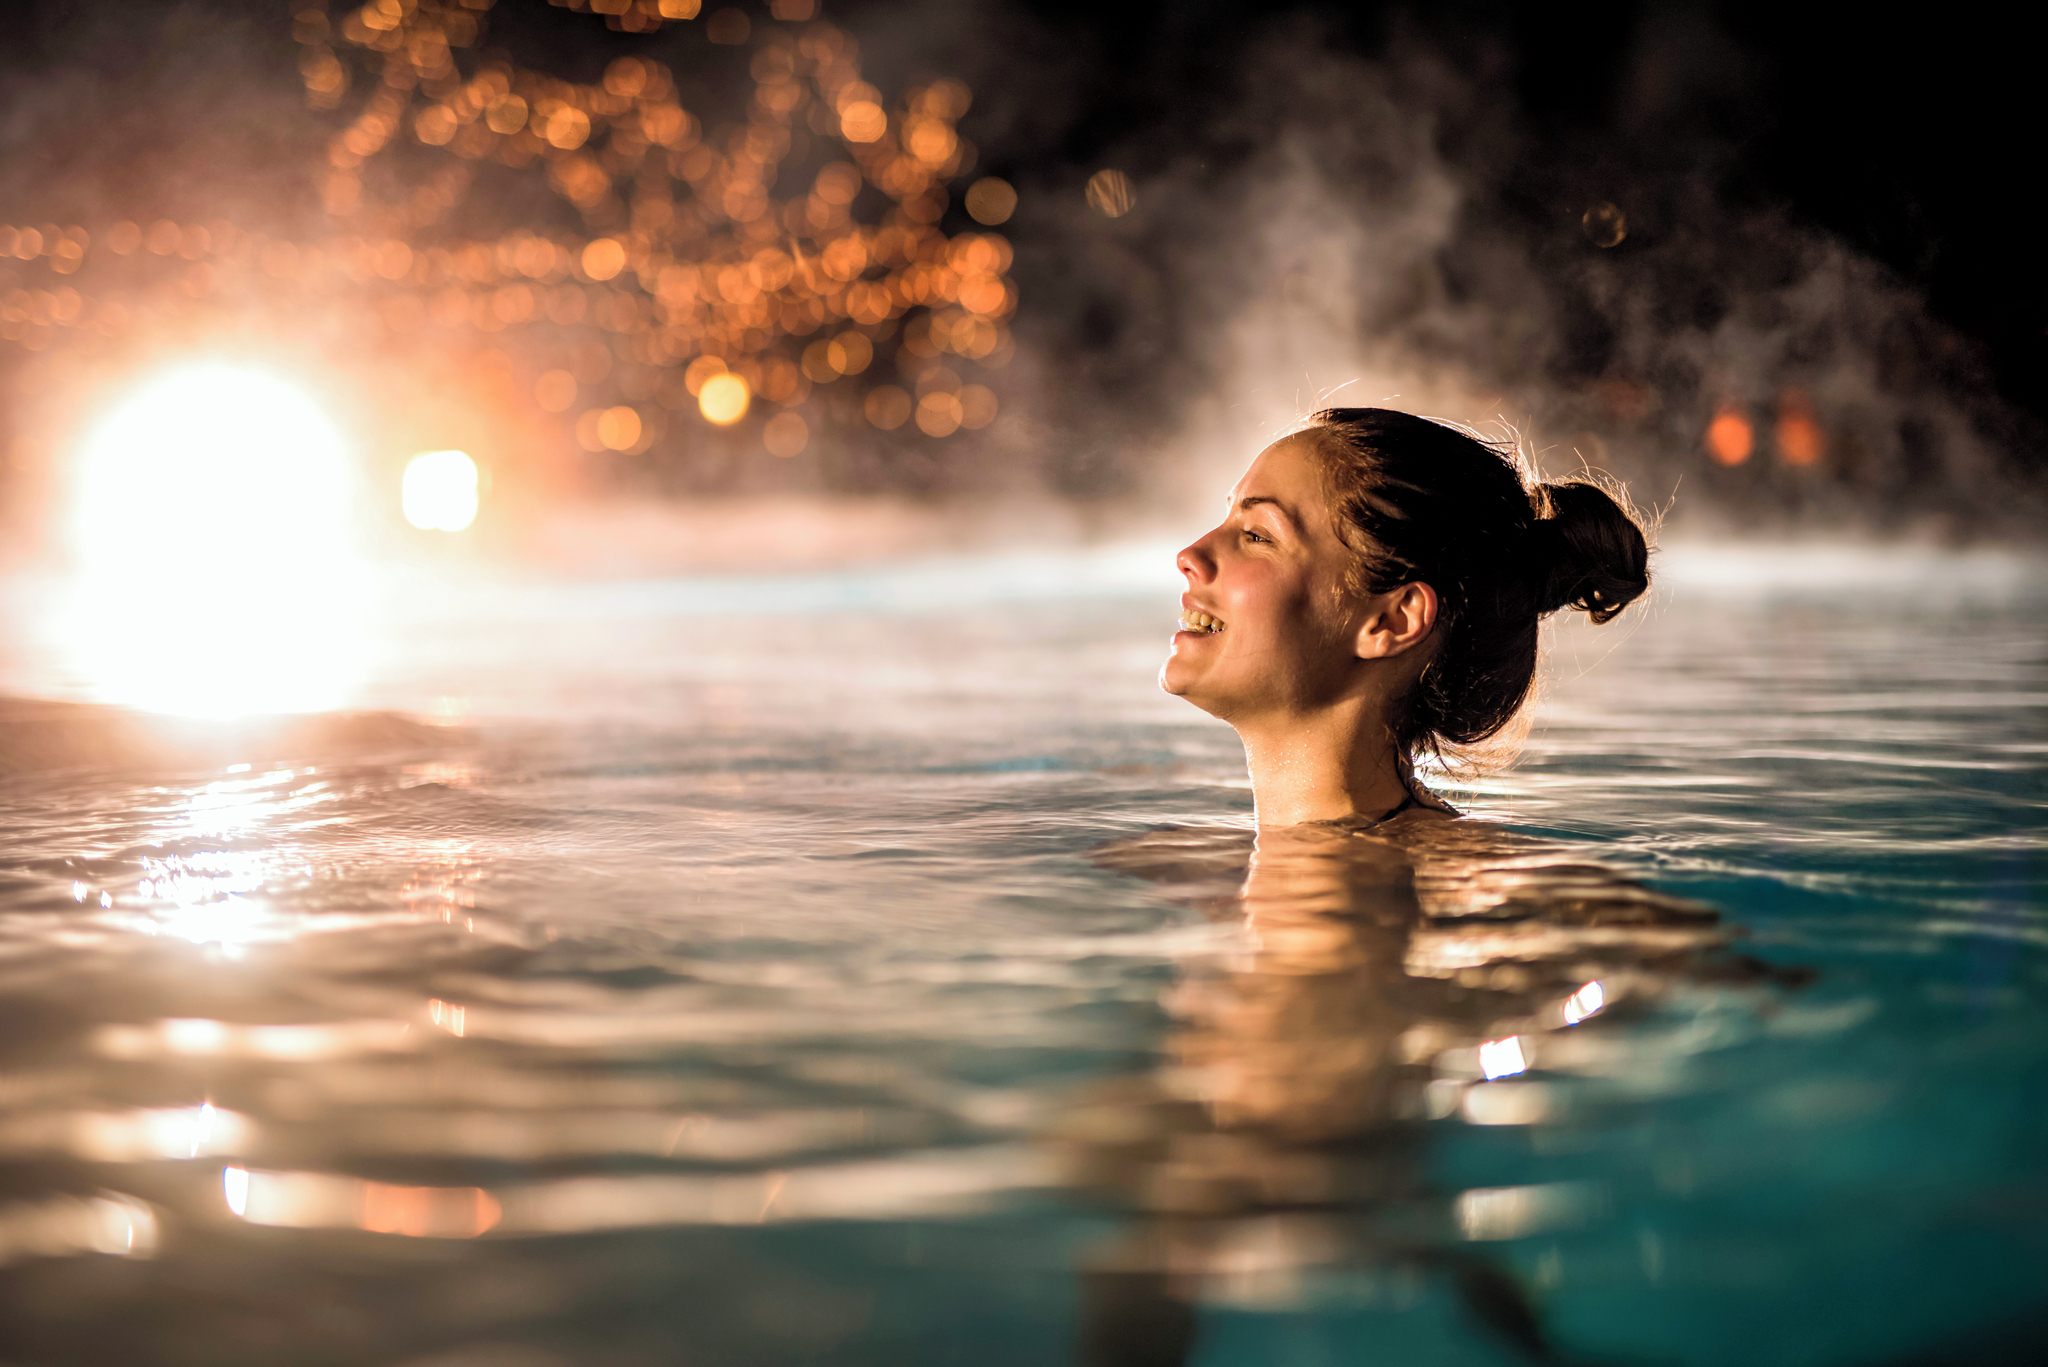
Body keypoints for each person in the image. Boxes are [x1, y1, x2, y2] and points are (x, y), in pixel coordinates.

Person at [1162, 407, 1651, 827]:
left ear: (1394, 620)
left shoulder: (1476, 881)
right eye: (1229, 520)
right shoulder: (1199, 868)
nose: (1190, 554)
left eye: (1258, 536)